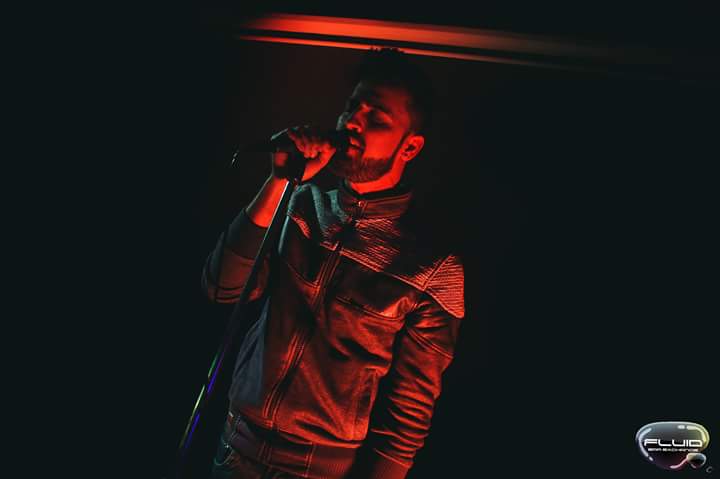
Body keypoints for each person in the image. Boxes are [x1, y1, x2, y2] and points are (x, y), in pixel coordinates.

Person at [202, 47, 465, 479]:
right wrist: (279, 182)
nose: (353, 122)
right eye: (351, 108)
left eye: (376, 118)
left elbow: (407, 418)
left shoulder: (433, 268)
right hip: (236, 449)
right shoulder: (301, 205)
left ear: (410, 146)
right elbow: (221, 286)